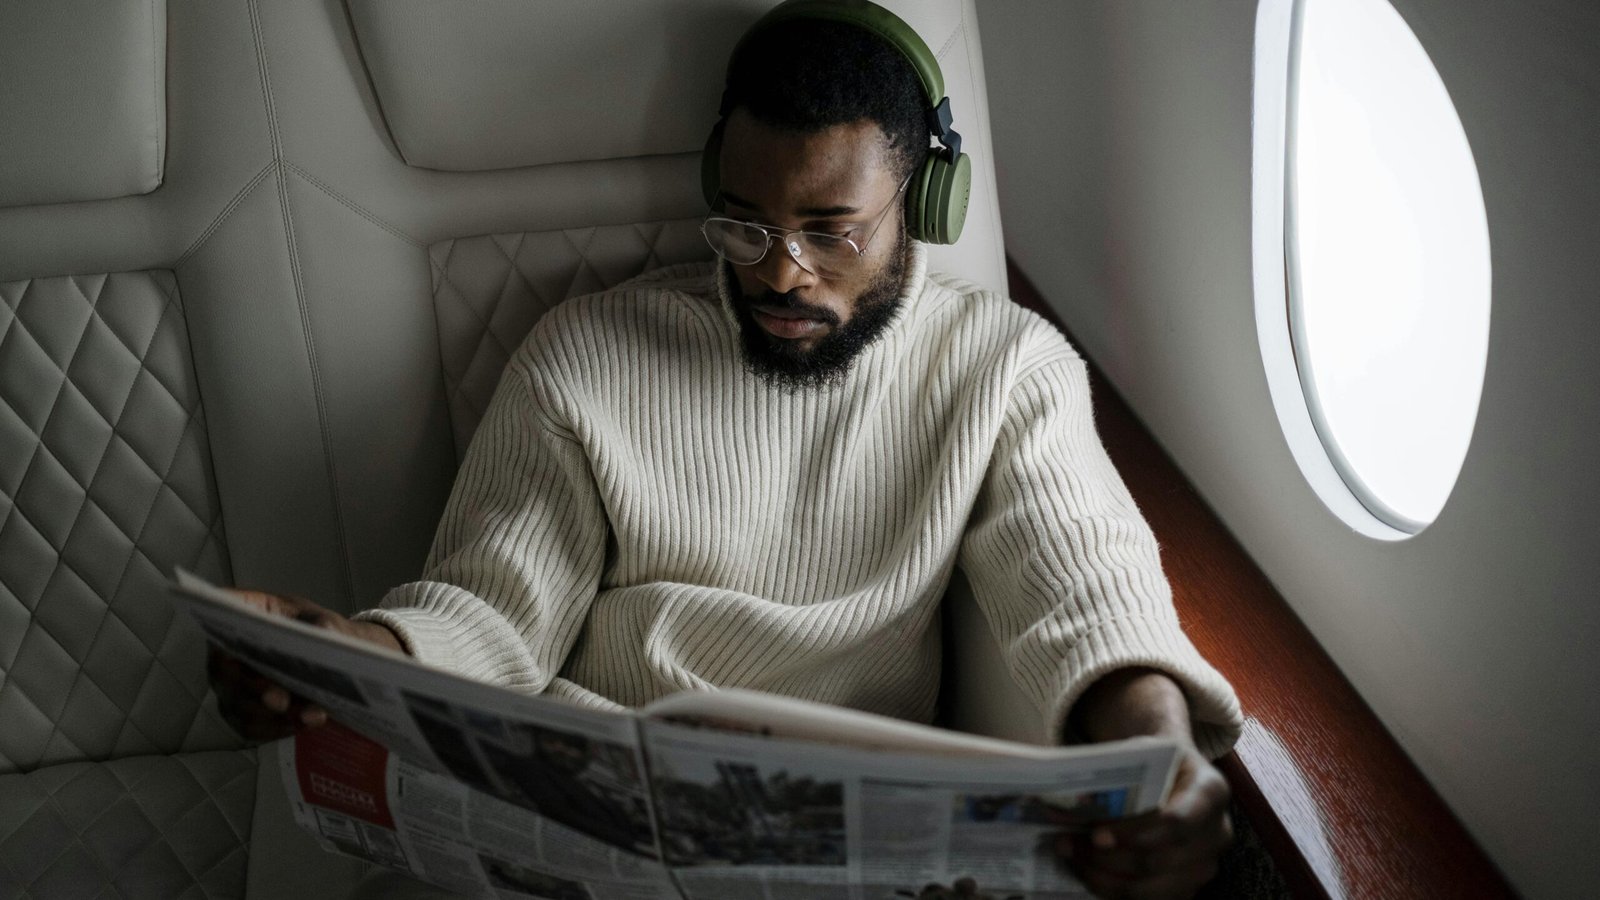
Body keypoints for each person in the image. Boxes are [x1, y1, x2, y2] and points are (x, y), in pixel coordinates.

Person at [210, 2, 1244, 897]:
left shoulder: (1007, 367)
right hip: (601, 809)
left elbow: (1083, 587)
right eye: (745, 224)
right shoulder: (584, 354)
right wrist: (355, 657)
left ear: (922, 202)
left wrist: (1158, 758)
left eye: (830, 230)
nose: (779, 273)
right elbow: (493, 607)